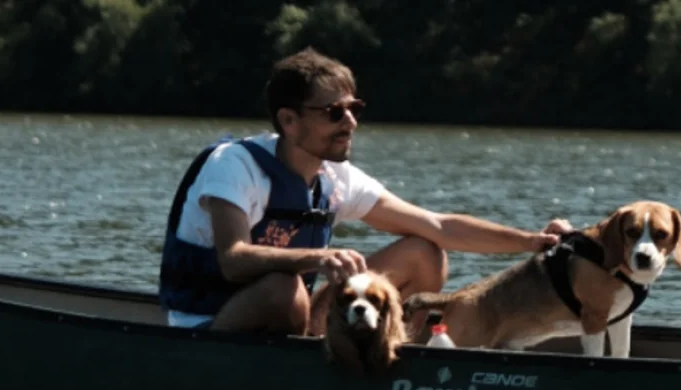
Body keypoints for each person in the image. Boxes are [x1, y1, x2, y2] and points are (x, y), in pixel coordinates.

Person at [158, 47, 571, 334]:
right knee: (284, 290)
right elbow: (233, 260)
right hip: (209, 325)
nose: (350, 122)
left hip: (296, 319)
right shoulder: (234, 165)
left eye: (354, 109)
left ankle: (384, 358)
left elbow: (440, 226)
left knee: (424, 252)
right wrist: (318, 258)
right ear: (289, 120)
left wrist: (534, 242)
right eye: (334, 113)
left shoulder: (336, 179)